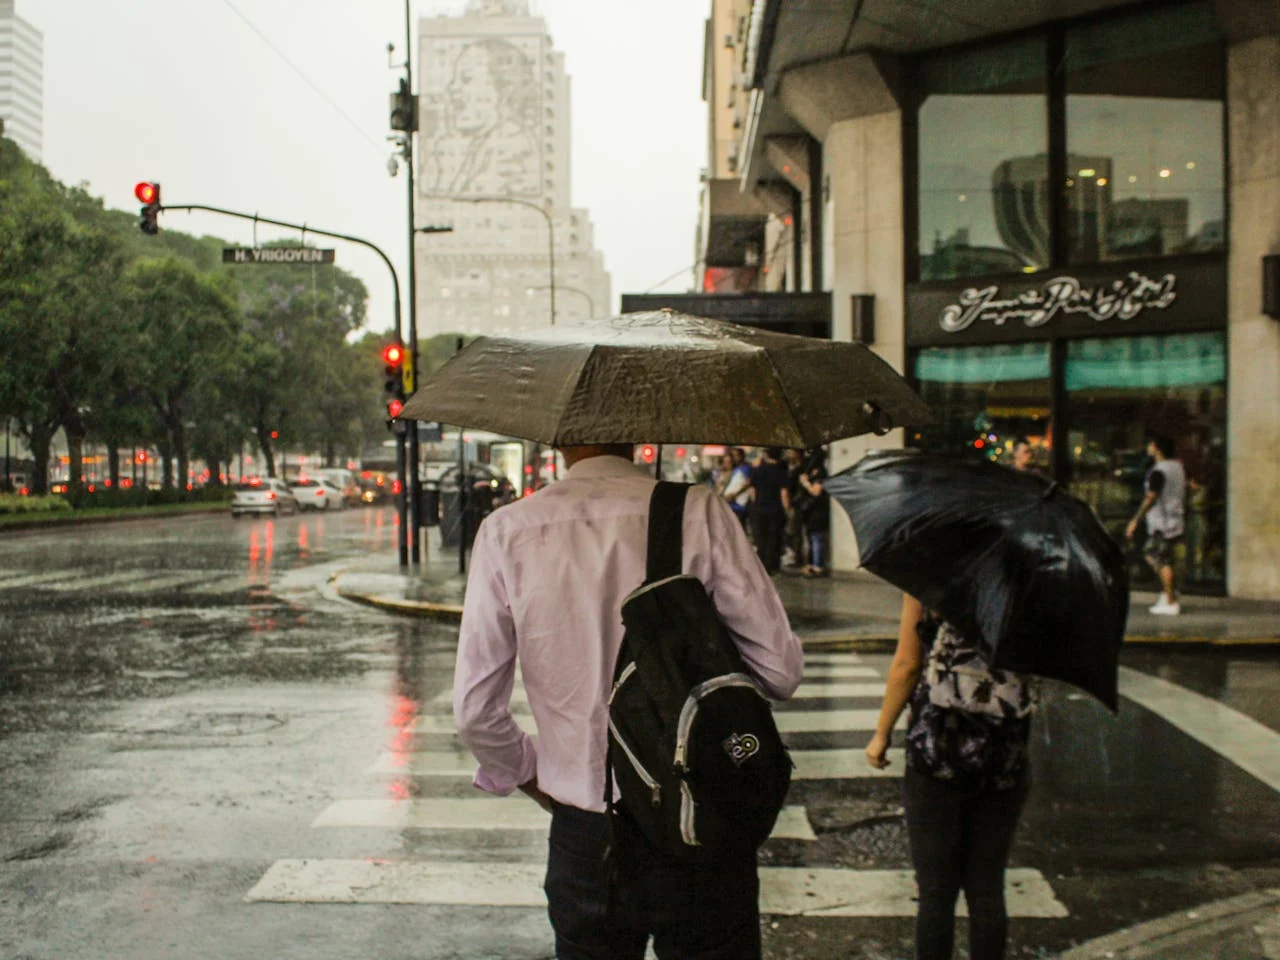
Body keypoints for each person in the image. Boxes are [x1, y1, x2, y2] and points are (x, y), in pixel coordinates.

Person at [454, 443, 803, 960]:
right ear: (638, 426)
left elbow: (477, 712)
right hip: (698, 818)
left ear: (557, 437)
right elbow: (780, 671)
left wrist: (531, 772)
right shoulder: (697, 512)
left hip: (587, 833)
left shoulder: (508, 530)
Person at [866, 596, 1036, 960]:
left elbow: (907, 665)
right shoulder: (1030, 581)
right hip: (1003, 753)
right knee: (987, 888)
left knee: (936, 893)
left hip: (938, 749)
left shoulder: (931, 579)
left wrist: (882, 732)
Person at [1126, 434, 1186, 616]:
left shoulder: (1159, 471)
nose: (1148, 447)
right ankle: (1168, 593)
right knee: (1165, 558)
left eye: (1150, 445)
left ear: (1157, 448)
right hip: (1176, 519)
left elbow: (1151, 497)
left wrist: (1136, 519)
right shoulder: (1178, 467)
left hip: (1162, 523)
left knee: (1156, 557)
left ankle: (1171, 600)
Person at [744, 447, 789, 574]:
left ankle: (760, 565)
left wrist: (755, 504)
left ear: (766, 455)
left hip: (759, 508)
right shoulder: (781, 472)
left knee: (760, 538)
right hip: (775, 509)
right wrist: (787, 510)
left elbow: (752, 491)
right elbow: (784, 493)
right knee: (773, 538)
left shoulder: (757, 471)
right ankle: (771, 566)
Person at [797, 451, 829, 577]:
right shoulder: (811, 472)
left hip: (818, 511)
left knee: (817, 538)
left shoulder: (821, 473)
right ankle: (812, 564)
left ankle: (818, 566)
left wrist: (805, 483)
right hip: (810, 511)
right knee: (812, 538)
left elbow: (816, 492)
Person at [782, 449, 807, 569]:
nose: (788, 454)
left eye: (791, 452)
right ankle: (795, 556)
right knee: (792, 532)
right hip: (793, 504)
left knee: (793, 532)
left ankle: (796, 557)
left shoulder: (800, 469)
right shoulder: (788, 467)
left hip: (795, 505)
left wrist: (788, 506)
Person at [721, 446, 753, 532]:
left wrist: (735, 495)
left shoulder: (746, 468)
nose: (735, 458)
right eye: (733, 455)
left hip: (740, 505)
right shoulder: (735, 469)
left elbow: (748, 483)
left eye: (737, 455)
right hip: (731, 505)